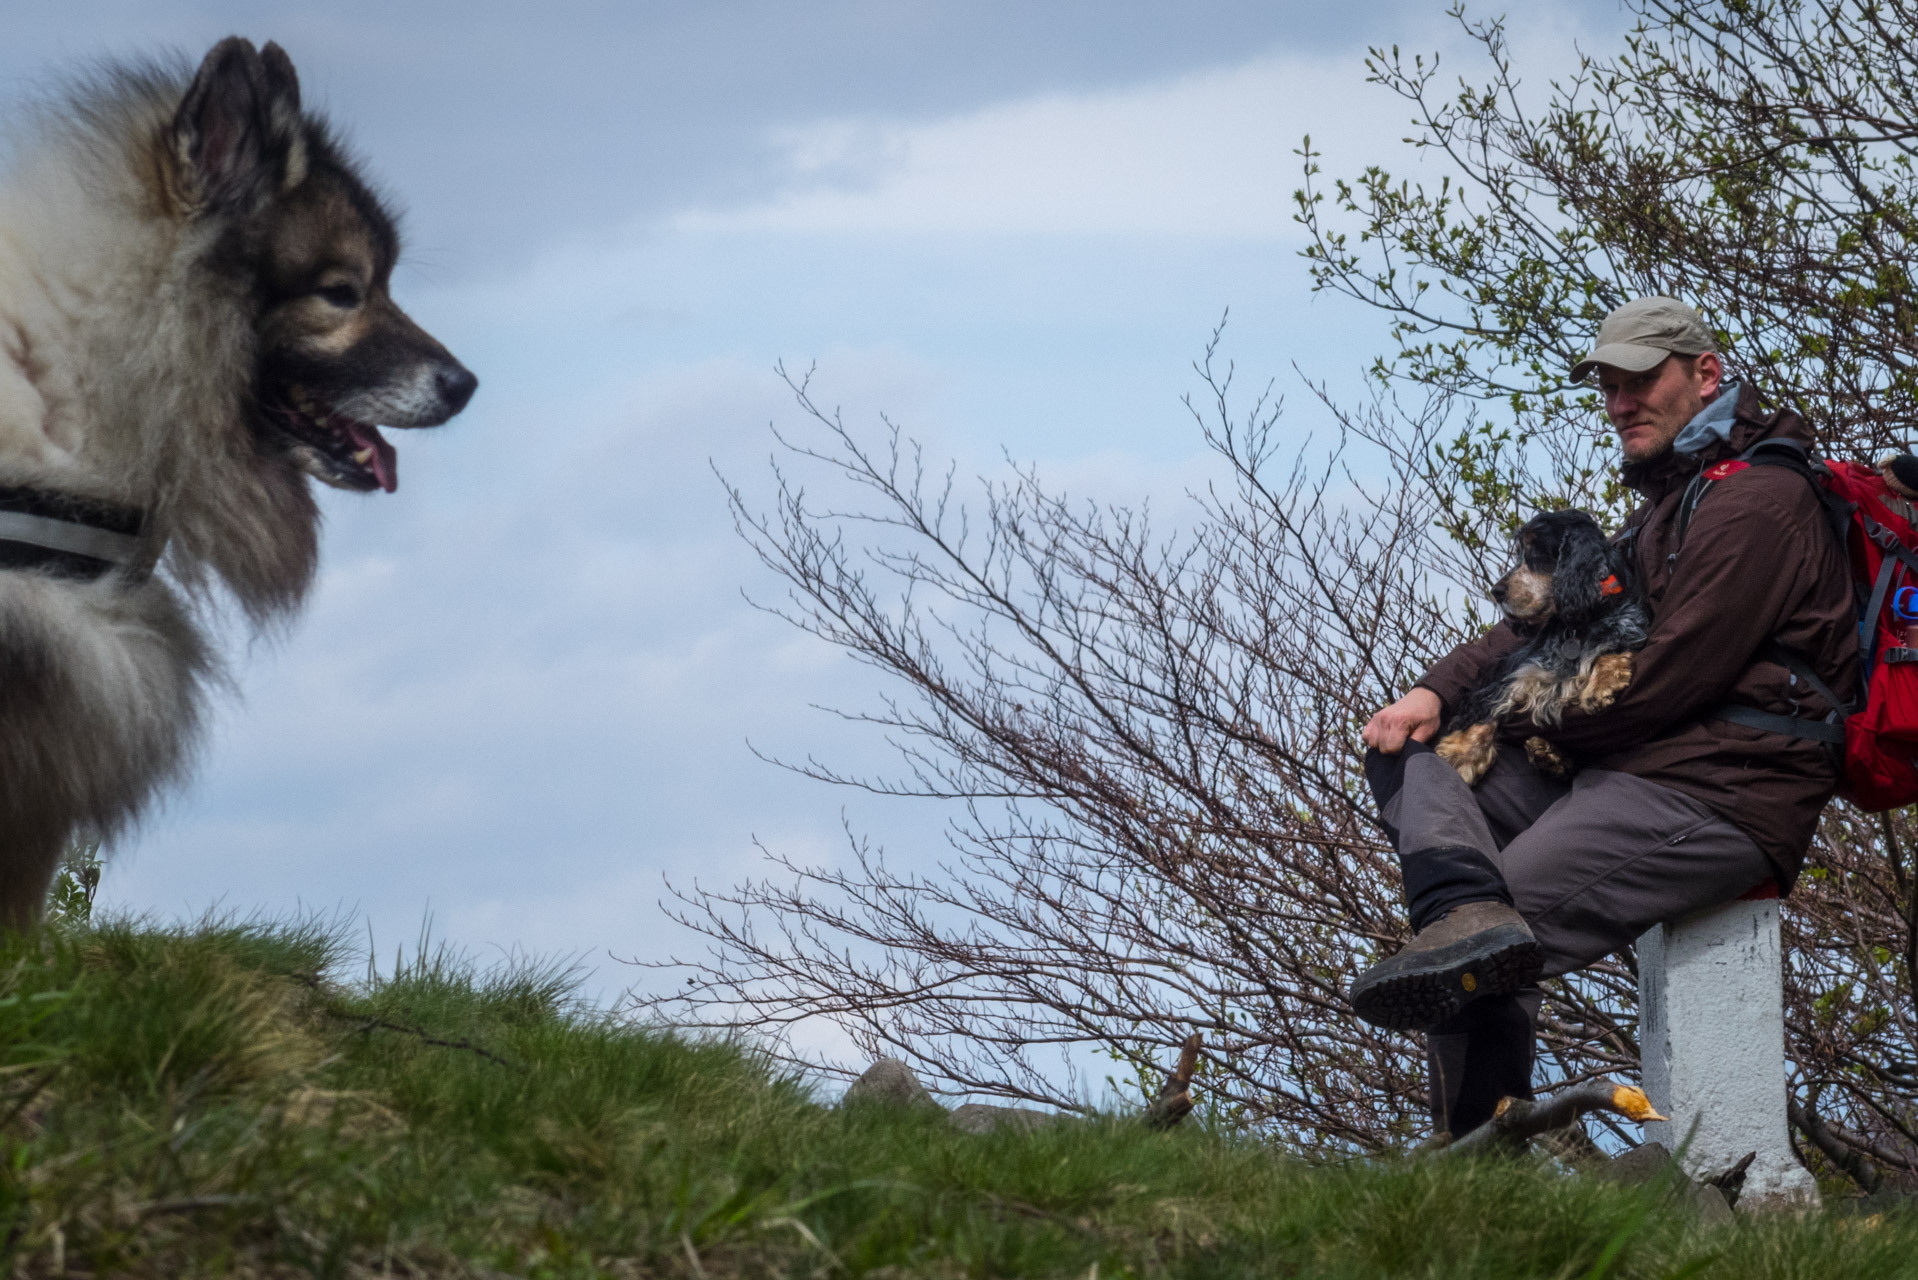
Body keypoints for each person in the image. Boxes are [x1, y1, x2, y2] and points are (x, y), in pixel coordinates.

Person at [1349, 297, 1857, 1138]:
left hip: (1721, 787)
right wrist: (1437, 693)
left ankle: (1474, 1162)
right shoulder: (1676, 498)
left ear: (1704, 375)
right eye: (1610, 386)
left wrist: (1510, 721)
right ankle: (1462, 912)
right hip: (1636, 766)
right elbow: (1546, 627)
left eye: (1640, 381)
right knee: (1419, 760)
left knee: (1472, 952)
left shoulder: (1757, 504)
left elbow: (1660, 684)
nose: (1621, 402)